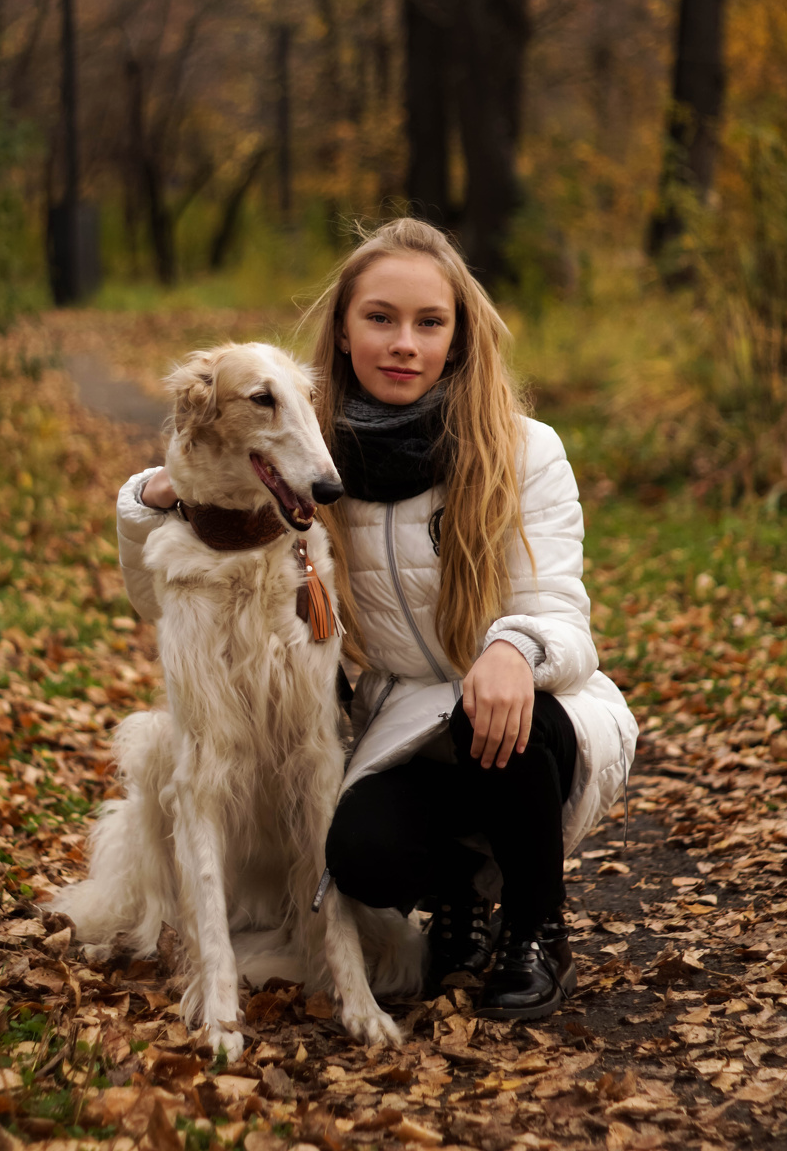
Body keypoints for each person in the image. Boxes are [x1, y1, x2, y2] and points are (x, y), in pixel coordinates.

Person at [117, 216, 638, 1022]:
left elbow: (560, 613)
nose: (403, 343)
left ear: (457, 337)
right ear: (343, 329)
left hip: (528, 711)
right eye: (380, 318)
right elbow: (190, 540)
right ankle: (459, 902)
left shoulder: (524, 449)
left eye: (429, 323)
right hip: (404, 724)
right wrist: (152, 496)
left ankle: (535, 930)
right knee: (359, 853)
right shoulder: (313, 457)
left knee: (498, 717)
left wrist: (513, 648)